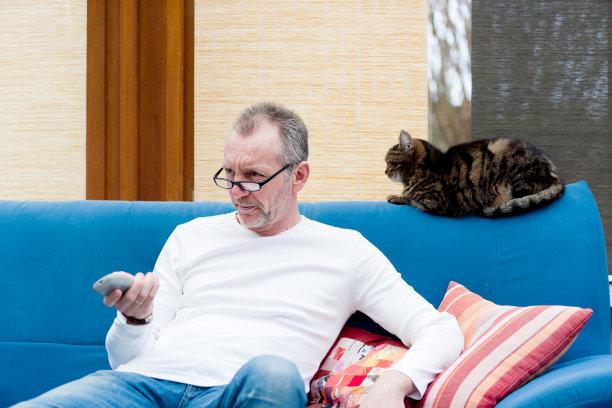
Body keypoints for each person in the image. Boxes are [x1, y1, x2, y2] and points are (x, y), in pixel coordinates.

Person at [15, 102, 463, 408]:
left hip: (240, 392)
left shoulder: (346, 251)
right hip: (145, 386)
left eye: (253, 176)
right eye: (229, 174)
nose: (236, 192)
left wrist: (396, 382)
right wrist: (135, 320)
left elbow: (440, 329)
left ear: (298, 176)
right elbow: (126, 363)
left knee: (275, 373)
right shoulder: (191, 236)